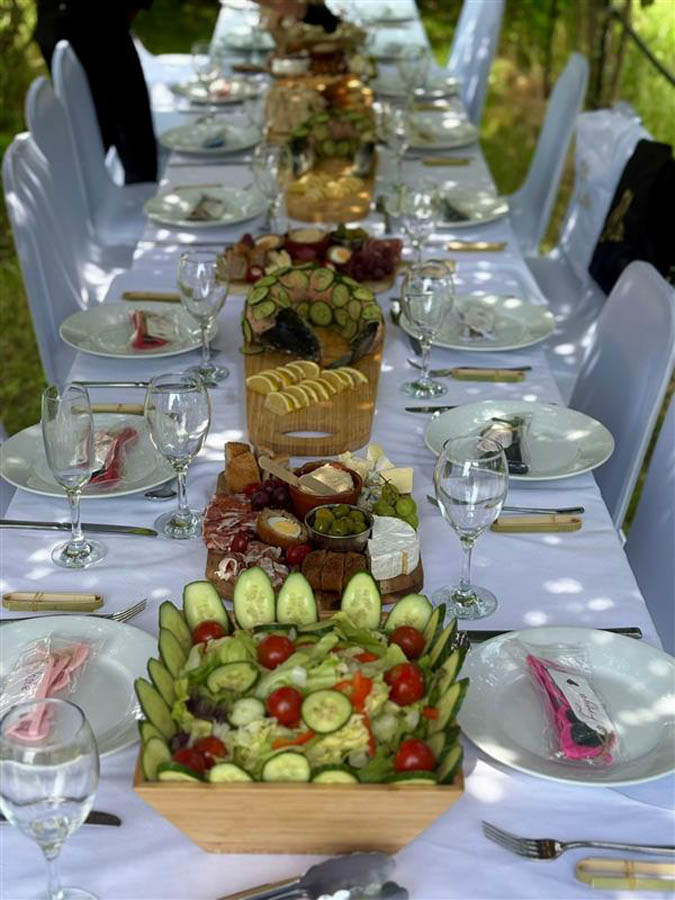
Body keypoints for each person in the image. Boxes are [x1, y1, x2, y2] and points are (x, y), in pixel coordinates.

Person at [34, 0, 158, 184]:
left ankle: (110, 188)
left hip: (92, 20)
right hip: (93, 23)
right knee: (121, 136)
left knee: (114, 135)